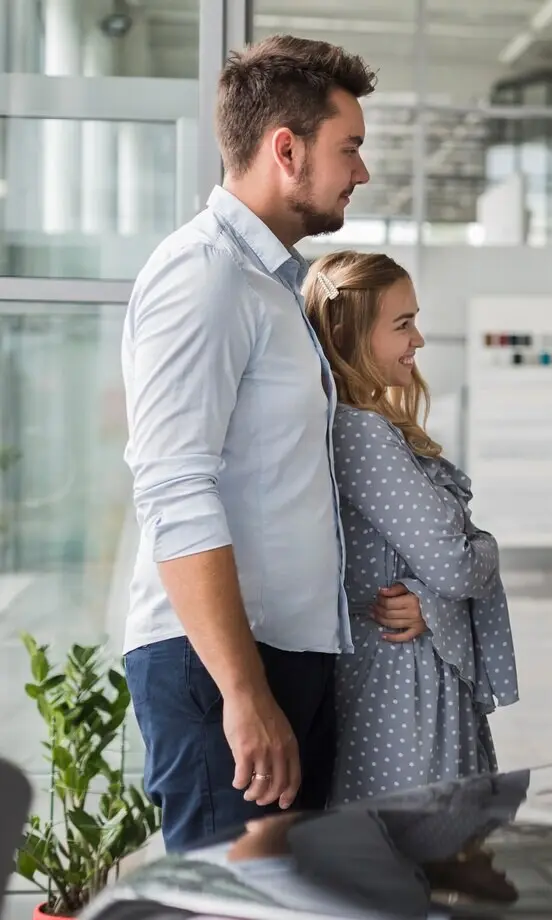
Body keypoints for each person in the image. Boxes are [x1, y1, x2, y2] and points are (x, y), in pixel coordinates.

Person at [120, 35, 423, 851]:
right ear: (285, 149)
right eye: (348, 148)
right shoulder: (206, 275)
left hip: (279, 659)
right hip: (224, 664)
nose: (360, 173)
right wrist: (244, 692)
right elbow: (175, 490)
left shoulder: (272, 286)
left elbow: (280, 486)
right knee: (239, 905)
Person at [301, 251, 519, 804]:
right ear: (351, 336)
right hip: (403, 693)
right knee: (420, 858)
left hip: (403, 683)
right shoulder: (363, 434)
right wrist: (487, 548)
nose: (417, 340)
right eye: (402, 325)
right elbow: (457, 563)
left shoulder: (362, 427)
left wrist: (432, 602)